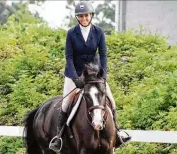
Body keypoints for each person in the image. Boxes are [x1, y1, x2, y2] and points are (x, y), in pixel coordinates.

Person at [49, 1, 131, 152]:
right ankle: (59, 137)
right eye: (81, 16)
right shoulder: (71, 33)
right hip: (75, 74)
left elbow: (104, 54)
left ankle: (117, 132)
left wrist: (104, 74)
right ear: (77, 18)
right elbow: (69, 57)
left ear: (91, 16)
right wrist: (75, 78)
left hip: (95, 74)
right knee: (66, 103)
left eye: (86, 15)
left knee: (111, 101)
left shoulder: (98, 32)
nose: (84, 18)